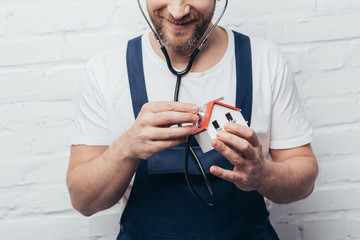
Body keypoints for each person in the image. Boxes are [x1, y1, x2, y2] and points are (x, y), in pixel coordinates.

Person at [66, 0, 319, 239]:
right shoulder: (105, 71)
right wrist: (126, 148)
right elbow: (83, 201)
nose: (178, 11)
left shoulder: (264, 60)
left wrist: (264, 175)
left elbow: (304, 179)